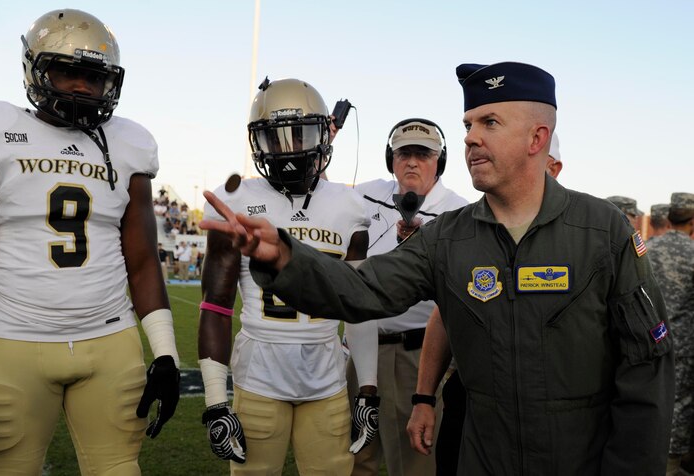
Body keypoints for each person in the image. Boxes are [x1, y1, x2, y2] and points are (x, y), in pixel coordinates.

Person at [200, 61, 675, 475]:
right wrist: (284, 256)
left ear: (537, 138)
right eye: (468, 124)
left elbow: (645, 371)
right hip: (483, 455)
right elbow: (360, 290)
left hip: (581, 458)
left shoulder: (603, 231)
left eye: (489, 122)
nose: (470, 137)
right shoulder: (449, 236)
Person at [0, 10, 181, 474]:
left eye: (93, 77)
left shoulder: (129, 143)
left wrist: (166, 354)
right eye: (66, 71)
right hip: (14, 342)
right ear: (35, 70)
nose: (81, 87)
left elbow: (142, 262)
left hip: (111, 341)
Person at [198, 77, 370, 475]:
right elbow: (215, 305)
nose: (289, 150)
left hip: (326, 382)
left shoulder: (349, 206)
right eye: (276, 139)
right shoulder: (236, 199)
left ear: (323, 136)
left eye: (301, 134)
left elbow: (359, 307)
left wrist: (368, 390)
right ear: (258, 142)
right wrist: (215, 402)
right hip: (258, 379)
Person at [407, 130, 565, 476]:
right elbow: (445, 315)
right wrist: (423, 398)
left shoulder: (582, 238)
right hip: (473, 406)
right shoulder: (469, 234)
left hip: (552, 410)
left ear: (554, 168)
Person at [345, 118, 468, 476]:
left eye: (423, 154)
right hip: (360, 351)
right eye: (404, 153)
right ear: (391, 158)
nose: (412, 162)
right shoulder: (364, 194)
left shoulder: (457, 212)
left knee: (414, 464)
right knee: (356, 459)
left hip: (416, 355)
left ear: (438, 161)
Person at [645, 192, 694, 476]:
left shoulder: (647, 249)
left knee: (651, 399)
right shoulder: (691, 253)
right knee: (680, 405)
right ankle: (669, 466)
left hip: (649, 342)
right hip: (684, 348)